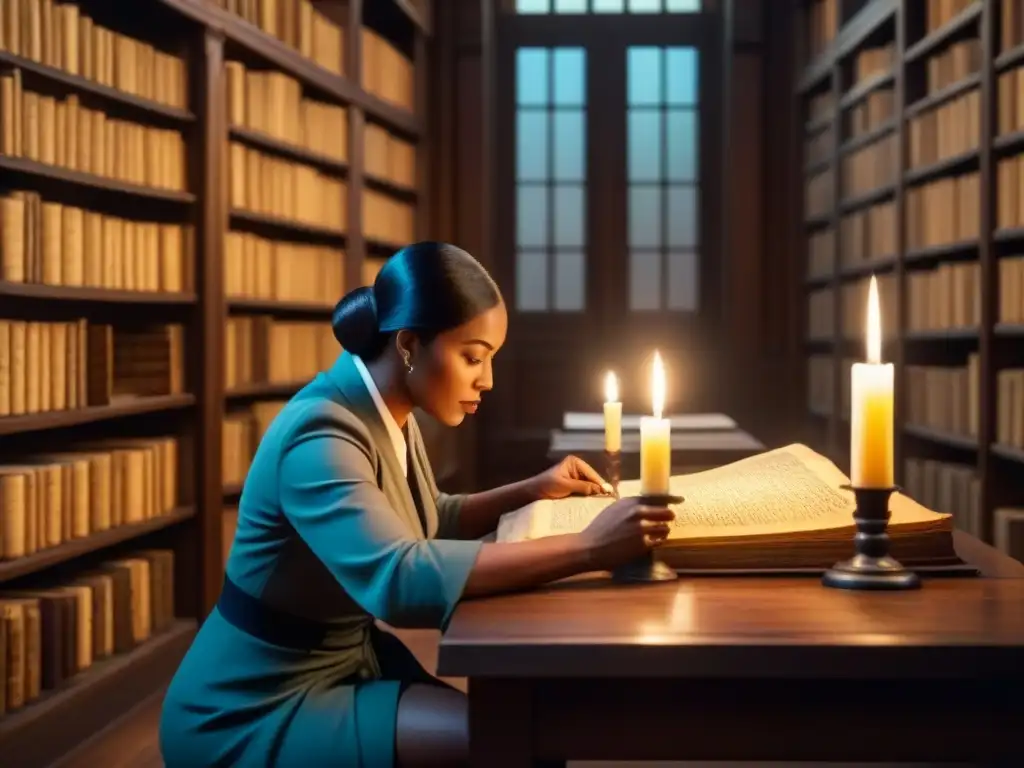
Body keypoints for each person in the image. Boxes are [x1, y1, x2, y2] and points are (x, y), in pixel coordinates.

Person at [159, 242, 674, 767]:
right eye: (473, 357)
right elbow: (397, 573)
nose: (487, 380)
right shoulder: (321, 433)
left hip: (341, 664)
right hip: (255, 700)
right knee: (515, 744)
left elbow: (427, 517)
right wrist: (588, 548)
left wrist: (532, 489)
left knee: (523, 734)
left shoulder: (386, 409)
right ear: (409, 345)